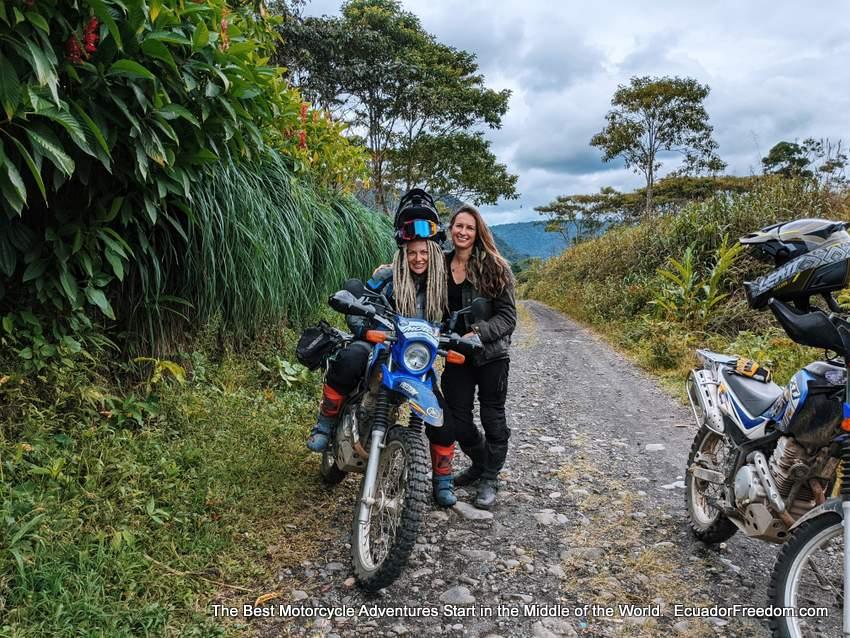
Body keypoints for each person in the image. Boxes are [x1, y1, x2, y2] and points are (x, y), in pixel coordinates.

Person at [305, 189, 460, 507]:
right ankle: (326, 422)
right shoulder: (386, 276)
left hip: (415, 358)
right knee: (350, 359)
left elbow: (455, 319)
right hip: (382, 346)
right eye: (412, 252)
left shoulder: (445, 285)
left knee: (443, 420)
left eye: (424, 252)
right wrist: (364, 326)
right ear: (403, 251)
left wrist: (464, 335)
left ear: (433, 250)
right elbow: (360, 301)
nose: (418, 258)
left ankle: (442, 478)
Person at [442, 203, 516, 510]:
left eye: (469, 227)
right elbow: (413, 267)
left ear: (478, 232)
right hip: (457, 355)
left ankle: (489, 478)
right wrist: (388, 270)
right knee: (457, 420)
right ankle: (482, 462)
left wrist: (479, 333)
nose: (463, 231)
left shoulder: (495, 266)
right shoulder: (441, 263)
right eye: (458, 226)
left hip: (490, 357)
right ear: (451, 229)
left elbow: (509, 316)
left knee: (492, 418)